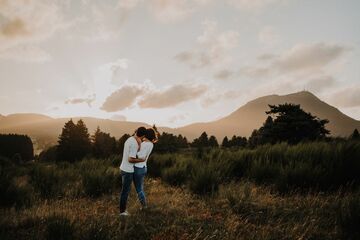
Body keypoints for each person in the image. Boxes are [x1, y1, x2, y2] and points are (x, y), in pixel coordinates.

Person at [119, 126, 147, 216]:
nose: (143, 139)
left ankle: (122, 210)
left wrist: (138, 143)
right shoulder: (134, 143)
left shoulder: (130, 139)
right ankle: (122, 212)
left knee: (125, 191)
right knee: (125, 192)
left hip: (123, 168)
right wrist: (141, 160)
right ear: (142, 136)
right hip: (128, 170)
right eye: (143, 137)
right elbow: (130, 159)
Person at [129, 128, 158, 209]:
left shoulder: (145, 144)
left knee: (139, 189)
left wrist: (133, 151)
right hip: (143, 167)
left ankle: (144, 206)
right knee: (140, 188)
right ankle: (143, 205)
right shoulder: (151, 144)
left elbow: (141, 156)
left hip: (138, 168)